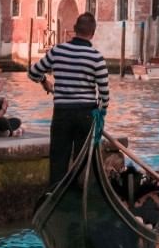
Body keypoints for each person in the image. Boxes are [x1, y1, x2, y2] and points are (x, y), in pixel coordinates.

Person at [28, 11, 110, 187]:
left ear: (74, 29)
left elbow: (33, 72)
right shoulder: (97, 58)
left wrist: (44, 81)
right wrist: (101, 115)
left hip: (62, 112)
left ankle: (56, 194)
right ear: (93, 33)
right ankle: (75, 195)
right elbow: (104, 94)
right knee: (82, 160)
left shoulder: (57, 51)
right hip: (86, 113)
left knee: (58, 157)